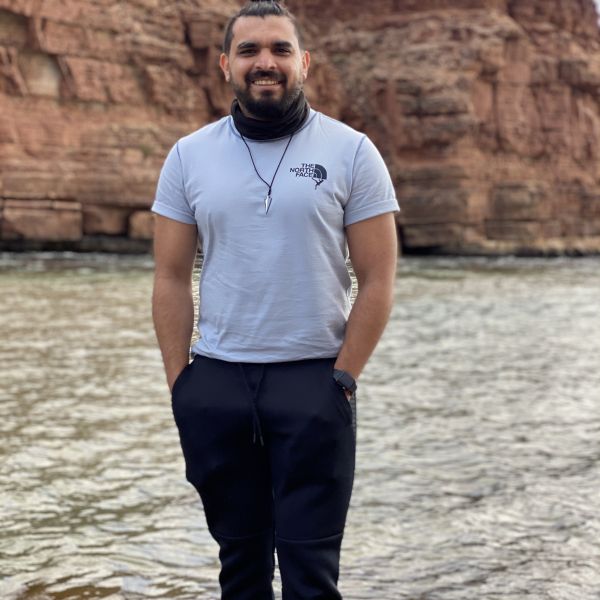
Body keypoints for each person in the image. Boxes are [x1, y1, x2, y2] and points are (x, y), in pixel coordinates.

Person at [151, 1, 399, 597]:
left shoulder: (352, 151)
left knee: (312, 574)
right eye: (250, 51)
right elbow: (169, 275)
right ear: (225, 65)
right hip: (217, 385)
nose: (266, 63)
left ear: (304, 62)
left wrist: (343, 378)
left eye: (280, 50)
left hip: (314, 382)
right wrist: (181, 383)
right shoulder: (189, 155)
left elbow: (380, 276)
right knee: (240, 568)